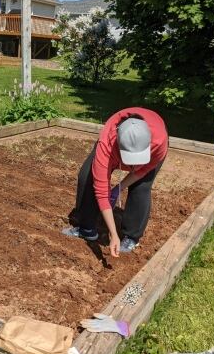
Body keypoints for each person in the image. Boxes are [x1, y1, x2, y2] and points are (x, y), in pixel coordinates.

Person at [63, 107, 168, 258]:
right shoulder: (107, 144)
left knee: (141, 187)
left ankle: (131, 237)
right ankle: (86, 228)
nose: (134, 166)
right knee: (86, 177)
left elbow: (142, 171)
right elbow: (100, 189)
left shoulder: (159, 142)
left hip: (155, 135)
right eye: (130, 161)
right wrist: (113, 234)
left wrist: (118, 188)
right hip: (111, 147)